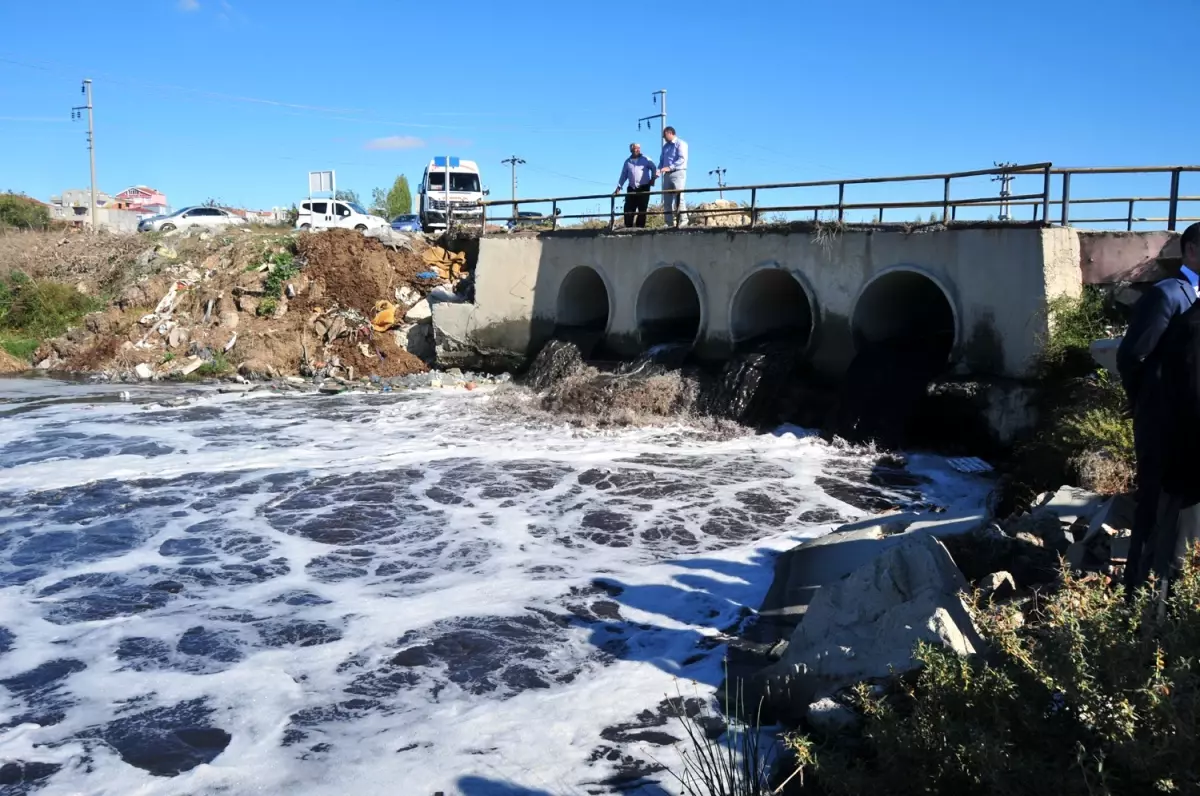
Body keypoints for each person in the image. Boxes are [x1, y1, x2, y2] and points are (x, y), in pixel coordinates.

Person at [1118, 221, 1200, 596]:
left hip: (1189, 428)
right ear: (1191, 251)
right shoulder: (1168, 294)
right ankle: (1138, 592)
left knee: (1185, 516)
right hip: (1163, 427)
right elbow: (1132, 356)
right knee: (1155, 508)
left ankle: (1173, 593)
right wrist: (1147, 404)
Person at [614, 143, 657, 228]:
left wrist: (653, 178)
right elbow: (623, 175)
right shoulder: (627, 162)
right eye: (635, 148)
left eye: (638, 148)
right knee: (628, 208)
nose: (637, 150)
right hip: (632, 188)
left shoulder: (646, 159)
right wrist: (619, 187)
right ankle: (628, 227)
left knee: (642, 208)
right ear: (631, 150)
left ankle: (640, 228)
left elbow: (653, 168)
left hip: (644, 187)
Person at [658, 126, 688, 227]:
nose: (663, 137)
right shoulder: (665, 147)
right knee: (667, 199)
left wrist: (670, 167)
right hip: (666, 175)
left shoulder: (680, 143)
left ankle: (683, 220)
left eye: (664, 135)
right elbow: (661, 161)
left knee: (679, 197)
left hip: (678, 173)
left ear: (670, 133)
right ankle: (668, 222)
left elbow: (682, 159)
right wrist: (659, 170)